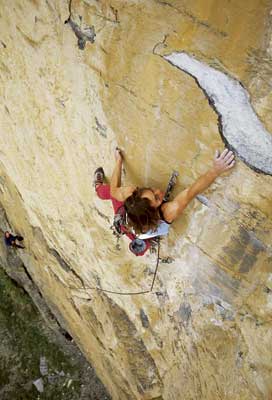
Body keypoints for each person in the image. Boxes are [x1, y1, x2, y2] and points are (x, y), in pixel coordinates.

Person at [94, 148, 235, 247]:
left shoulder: (131, 192)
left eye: (152, 191)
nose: (159, 192)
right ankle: (97, 186)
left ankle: (98, 188)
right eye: (157, 198)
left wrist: (118, 161)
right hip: (132, 226)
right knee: (141, 247)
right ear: (154, 211)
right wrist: (216, 170)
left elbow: (114, 191)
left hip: (133, 221)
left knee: (106, 194)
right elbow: (191, 191)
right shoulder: (169, 212)